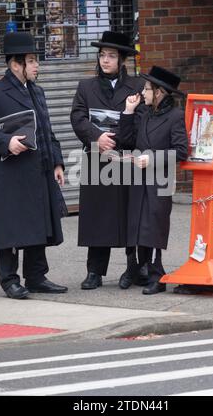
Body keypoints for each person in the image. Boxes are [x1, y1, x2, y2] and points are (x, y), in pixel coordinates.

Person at [0, 31, 68, 299]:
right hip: (10, 172)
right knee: (12, 227)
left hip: (38, 168)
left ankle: (36, 276)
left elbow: (48, 131)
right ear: (16, 64)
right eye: (31, 60)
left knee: (39, 222)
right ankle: (9, 280)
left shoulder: (37, 91)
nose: (36, 66)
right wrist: (6, 142)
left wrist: (57, 162)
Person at [71, 31, 147, 290]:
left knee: (129, 213)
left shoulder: (137, 87)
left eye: (111, 56)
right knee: (96, 216)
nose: (105, 61)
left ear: (122, 60)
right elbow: (78, 118)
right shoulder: (86, 87)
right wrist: (97, 137)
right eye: (102, 55)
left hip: (126, 158)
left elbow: (142, 121)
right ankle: (95, 271)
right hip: (97, 158)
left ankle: (133, 267)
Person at [119, 66, 188, 294]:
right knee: (139, 226)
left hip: (160, 180)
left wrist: (152, 159)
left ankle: (158, 276)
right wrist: (128, 111)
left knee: (155, 227)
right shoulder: (145, 113)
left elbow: (181, 151)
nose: (143, 93)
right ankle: (145, 270)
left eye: (147, 89)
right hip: (139, 179)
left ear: (158, 92)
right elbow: (127, 140)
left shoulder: (176, 117)